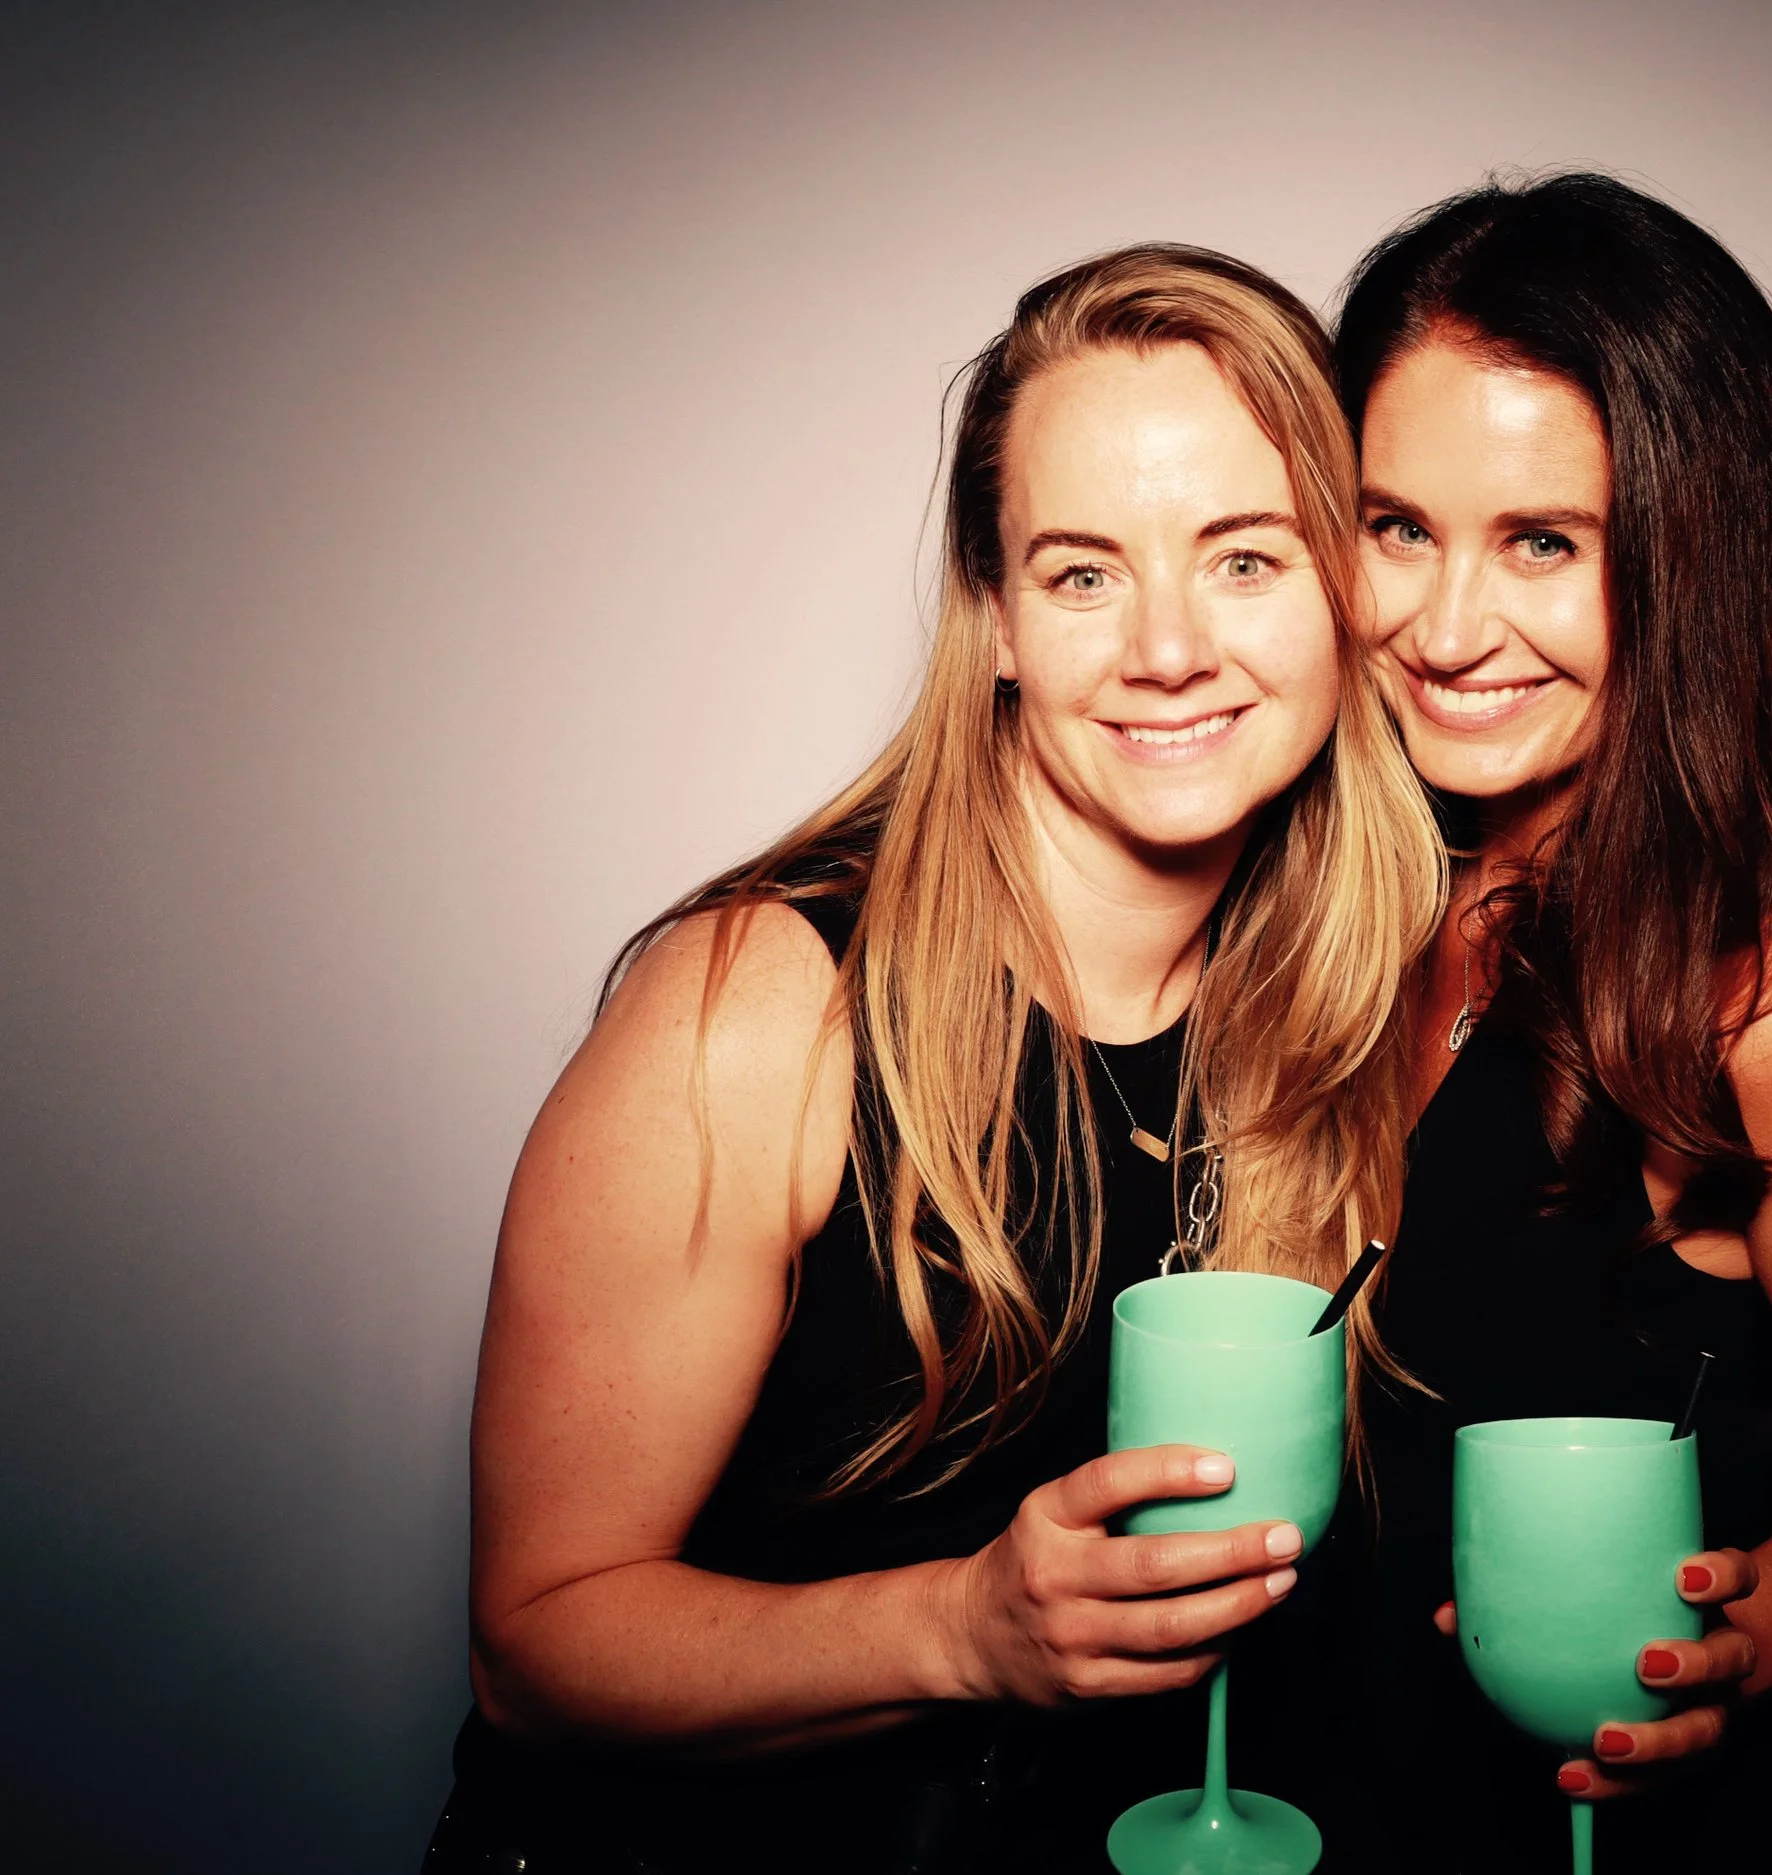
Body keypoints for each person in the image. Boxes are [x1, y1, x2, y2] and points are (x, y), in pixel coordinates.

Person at [424, 244, 1442, 1873]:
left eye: (1245, 560)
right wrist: (965, 1627)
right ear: (995, 621)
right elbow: (537, 1641)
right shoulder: (760, 1005)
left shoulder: (1326, 1004)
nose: (1169, 648)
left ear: (1344, 592)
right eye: (1084, 572)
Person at [1326, 173, 1772, 1871]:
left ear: (1694, 561)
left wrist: (1734, 1642)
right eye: (1397, 525)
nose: (1446, 626)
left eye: (1545, 542)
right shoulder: (1344, 898)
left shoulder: (1769, 981)